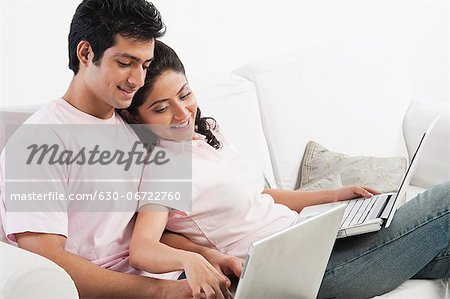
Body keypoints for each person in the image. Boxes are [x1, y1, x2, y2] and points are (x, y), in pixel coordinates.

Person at [121, 40, 450, 299]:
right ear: (137, 118)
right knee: (445, 200)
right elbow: (142, 247)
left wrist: (334, 195)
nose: (182, 114)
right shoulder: (162, 168)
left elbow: (261, 196)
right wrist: (191, 260)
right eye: (161, 108)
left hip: (312, 241)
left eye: (185, 95)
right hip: (295, 275)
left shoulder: (206, 135)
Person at [0, 1, 241, 298]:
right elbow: (46, 261)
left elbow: (146, 233)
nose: (137, 80)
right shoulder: (37, 142)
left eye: (145, 65)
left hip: (167, 279)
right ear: (86, 53)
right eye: (125, 63)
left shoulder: (138, 125)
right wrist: (165, 291)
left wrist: (206, 256)